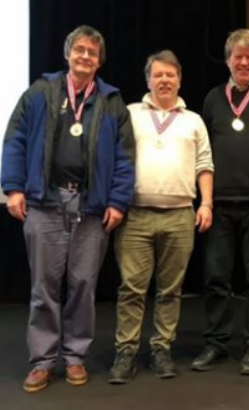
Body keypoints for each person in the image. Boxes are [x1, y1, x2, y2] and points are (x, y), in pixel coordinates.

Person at [1, 25, 135, 392]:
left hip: (91, 207)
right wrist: (13, 188)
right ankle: (43, 361)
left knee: (83, 284)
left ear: (99, 61)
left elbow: (125, 157)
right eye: (80, 50)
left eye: (92, 52)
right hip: (44, 201)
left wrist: (118, 201)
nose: (85, 57)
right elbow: (15, 139)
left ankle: (75, 357)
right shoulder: (40, 92)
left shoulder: (111, 101)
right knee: (43, 286)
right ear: (67, 54)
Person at [108, 50, 214, 384]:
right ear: (148, 80)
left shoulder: (193, 120)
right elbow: (114, 159)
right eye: (158, 75)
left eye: (170, 74)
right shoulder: (130, 113)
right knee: (131, 289)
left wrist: (206, 203)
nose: (164, 80)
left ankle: (161, 349)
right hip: (134, 216)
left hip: (180, 216)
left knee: (171, 290)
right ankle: (126, 352)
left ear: (179, 80)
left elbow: (205, 164)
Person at [191, 29, 249, 376]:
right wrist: (205, 200)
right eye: (238, 56)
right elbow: (202, 152)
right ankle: (217, 342)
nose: (244, 62)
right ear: (228, 60)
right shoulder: (213, 98)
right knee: (216, 276)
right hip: (219, 203)